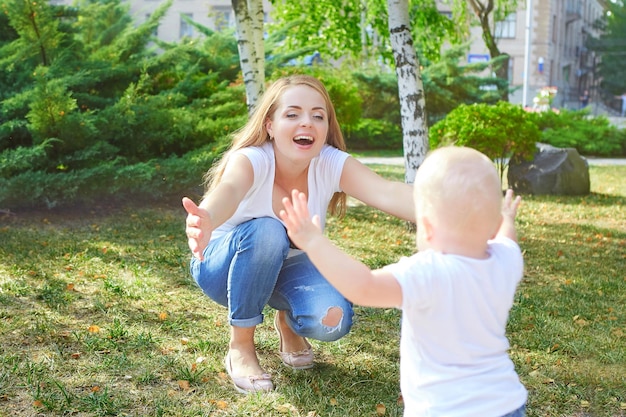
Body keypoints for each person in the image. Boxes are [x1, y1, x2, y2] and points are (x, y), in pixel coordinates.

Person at [182, 74, 414, 394]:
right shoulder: (253, 159)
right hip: (222, 267)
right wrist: (206, 216)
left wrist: (452, 212)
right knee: (268, 230)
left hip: (284, 267)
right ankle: (241, 347)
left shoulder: (329, 162)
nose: (307, 122)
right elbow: (230, 190)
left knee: (331, 319)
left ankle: (288, 323)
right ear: (270, 125)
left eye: (318, 116)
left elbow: (388, 192)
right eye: (292, 114)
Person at [280, 146, 528, 416]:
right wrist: (507, 219)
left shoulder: (428, 273)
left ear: (428, 228)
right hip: (506, 402)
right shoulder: (504, 260)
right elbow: (506, 238)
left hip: (445, 410)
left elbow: (364, 287)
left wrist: (315, 242)